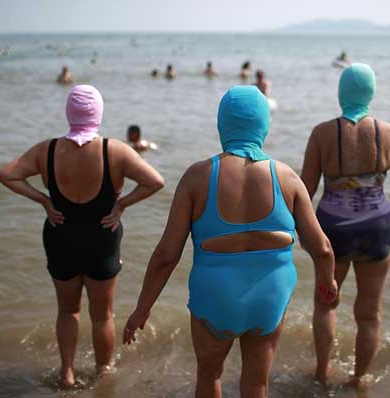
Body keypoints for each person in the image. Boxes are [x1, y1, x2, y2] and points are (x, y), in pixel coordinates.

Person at [122, 85, 338, 398]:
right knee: (257, 383)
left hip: (215, 296)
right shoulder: (287, 178)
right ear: (264, 124)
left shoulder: (197, 177)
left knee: (209, 376)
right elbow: (322, 248)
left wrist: (142, 309)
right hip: (269, 296)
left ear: (222, 124)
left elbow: (166, 256)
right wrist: (328, 281)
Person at [0, 85, 164, 387]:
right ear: (98, 113)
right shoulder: (114, 150)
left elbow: (6, 175)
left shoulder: (46, 150)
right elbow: (155, 182)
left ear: (68, 112)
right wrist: (121, 205)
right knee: (102, 316)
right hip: (102, 237)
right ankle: (102, 376)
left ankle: (67, 374)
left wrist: (45, 200)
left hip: (61, 237)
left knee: (67, 311)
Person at [301, 63, 390, 388]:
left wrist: (296, 227)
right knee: (370, 313)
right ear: (370, 92)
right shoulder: (389, 133)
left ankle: (322, 373)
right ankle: (357, 380)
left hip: (333, 229)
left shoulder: (322, 133)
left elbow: (305, 189)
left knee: (326, 304)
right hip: (376, 228)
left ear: (341, 93)